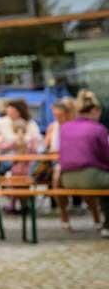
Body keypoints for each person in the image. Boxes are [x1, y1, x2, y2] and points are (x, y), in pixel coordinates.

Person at [58, 89, 109, 239]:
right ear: (95, 110)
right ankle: (107, 224)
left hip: (66, 179)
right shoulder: (98, 129)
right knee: (104, 183)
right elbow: (106, 156)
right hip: (90, 177)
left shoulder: (65, 127)